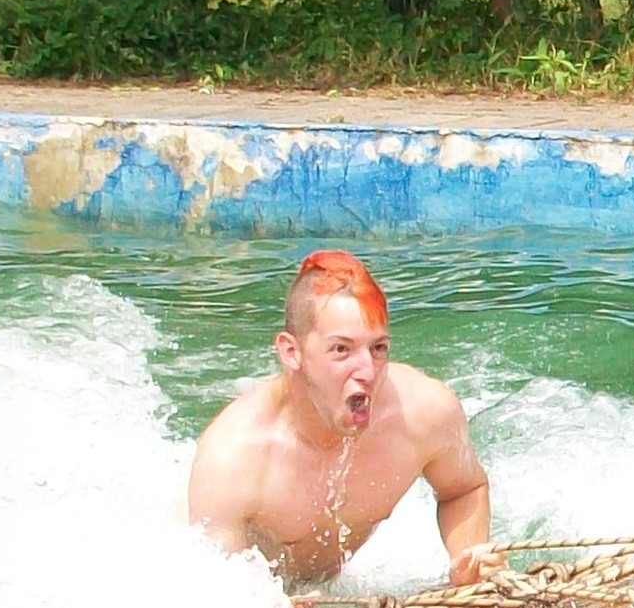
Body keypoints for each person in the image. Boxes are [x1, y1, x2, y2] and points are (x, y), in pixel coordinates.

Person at [186, 249, 505, 588]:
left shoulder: (424, 414)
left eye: (378, 348)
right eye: (341, 350)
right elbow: (216, 596)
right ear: (291, 352)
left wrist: (467, 560)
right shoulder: (233, 457)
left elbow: (463, 488)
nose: (367, 371)